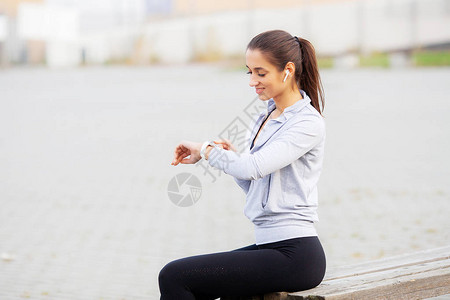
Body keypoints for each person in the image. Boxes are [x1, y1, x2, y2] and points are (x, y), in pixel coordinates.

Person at [159, 29, 327, 300]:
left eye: (261, 73)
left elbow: (252, 167)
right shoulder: (264, 118)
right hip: (269, 246)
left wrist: (207, 150)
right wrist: (232, 158)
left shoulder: (307, 123)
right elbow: (254, 184)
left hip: (296, 255)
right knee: (193, 285)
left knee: (174, 276)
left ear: (288, 70)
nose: (252, 81)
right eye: (249, 72)